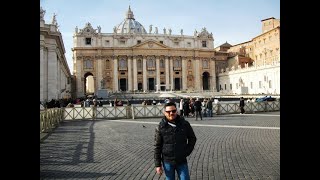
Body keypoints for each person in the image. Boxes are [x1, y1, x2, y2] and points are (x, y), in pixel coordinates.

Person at [154, 102, 197, 180]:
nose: (171, 113)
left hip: (181, 159)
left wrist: (187, 151)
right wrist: (158, 165)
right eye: (168, 111)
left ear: (176, 111)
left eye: (173, 111)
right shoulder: (160, 127)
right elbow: (157, 146)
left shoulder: (185, 124)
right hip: (167, 161)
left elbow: (192, 138)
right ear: (164, 112)